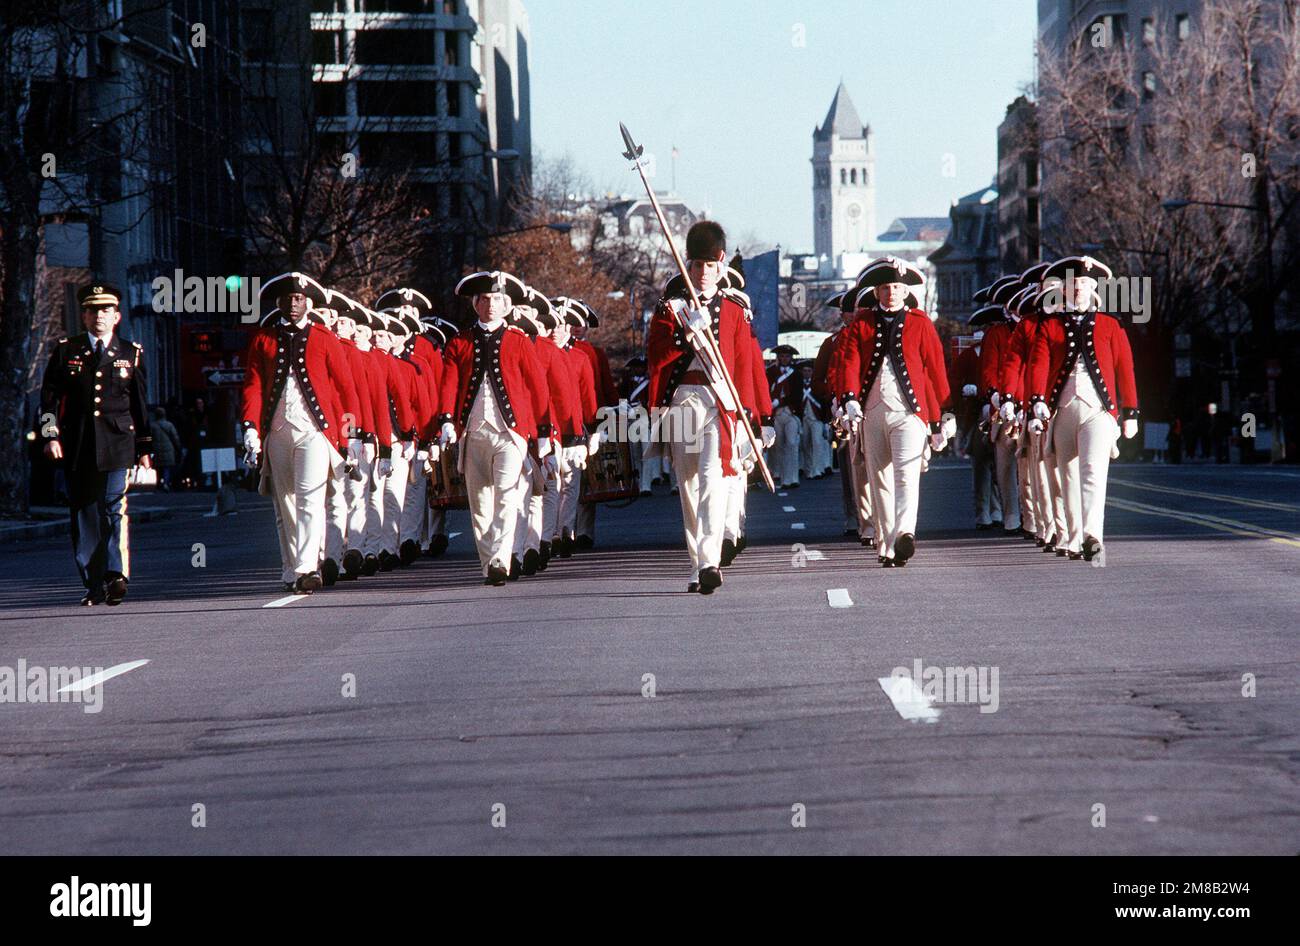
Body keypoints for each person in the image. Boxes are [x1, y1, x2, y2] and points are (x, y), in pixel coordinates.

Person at [644, 220, 762, 594]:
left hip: (719, 402)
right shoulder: (669, 309)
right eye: (696, 265)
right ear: (688, 265)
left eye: (709, 266)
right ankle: (697, 562)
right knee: (689, 484)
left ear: (720, 262)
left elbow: (744, 366)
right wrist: (684, 333)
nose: (702, 273)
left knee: (713, 477)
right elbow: (656, 359)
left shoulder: (732, 310)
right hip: (681, 401)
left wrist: (752, 420)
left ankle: (711, 561)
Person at [239, 272, 360, 594]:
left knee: (309, 498)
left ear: (308, 302)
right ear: (277, 302)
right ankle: (291, 567)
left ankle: (308, 567)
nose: (293, 304)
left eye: (299, 299)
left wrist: (350, 435)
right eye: (287, 299)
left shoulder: (324, 338)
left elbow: (346, 389)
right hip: (276, 430)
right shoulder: (263, 339)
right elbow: (254, 387)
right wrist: (250, 428)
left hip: (316, 432)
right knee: (285, 505)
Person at [38, 283, 153, 605]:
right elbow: (48, 400)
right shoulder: (66, 351)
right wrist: (50, 435)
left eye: (105, 310)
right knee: (86, 513)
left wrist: (145, 448)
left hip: (118, 442)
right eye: (92, 310)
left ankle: (116, 575)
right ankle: (93, 582)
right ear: (84, 316)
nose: (99, 316)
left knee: (115, 507)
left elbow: (140, 406)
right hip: (78, 444)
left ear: (116, 317)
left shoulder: (130, 353)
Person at [832, 257, 951, 567]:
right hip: (871, 410)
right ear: (877, 291)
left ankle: (904, 534)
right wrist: (849, 398)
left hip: (910, 413)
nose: (892, 293)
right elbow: (848, 362)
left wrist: (942, 416)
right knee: (880, 479)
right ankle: (886, 543)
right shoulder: (862, 323)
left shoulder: (920, 322)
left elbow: (935, 370)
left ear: (905, 290)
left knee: (907, 476)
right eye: (886, 288)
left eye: (897, 287)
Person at [437, 271, 551, 586]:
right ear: (475, 304)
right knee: (480, 503)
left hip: (511, 434)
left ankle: (501, 559)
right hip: (473, 431)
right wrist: (446, 418)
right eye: (484, 299)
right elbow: (449, 382)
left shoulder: (519, 340)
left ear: (506, 304)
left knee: (507, 495)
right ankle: (489, 561)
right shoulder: (460, 341)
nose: (490, 305)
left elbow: (538, 387)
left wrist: (543, 432)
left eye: (497, 299)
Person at [1027, 256, 1139, 562]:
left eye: (1084, 284)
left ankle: (1093, 536)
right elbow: (1039, 364)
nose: (1078, 288)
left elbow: (1124, 368)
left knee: (1093, 472)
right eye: (1072, 284)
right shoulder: (1048, 326)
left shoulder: (1110, 325)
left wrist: (1130, 411)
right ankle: (1074, 537)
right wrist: (1037, 400)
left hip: (1099, 410)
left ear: (1093, 288)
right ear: (1062, 289)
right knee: (1068, 476)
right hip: (1062, 409)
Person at [150, 406, 182, 492]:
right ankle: (166, 483)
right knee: (167, 468)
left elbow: (150, 438)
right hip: (168, 449)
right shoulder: (169, 425)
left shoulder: (152, 426)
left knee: (158, 468)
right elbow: (175, 437)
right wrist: (178, 447)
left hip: (157, 449)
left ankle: (158, 483)